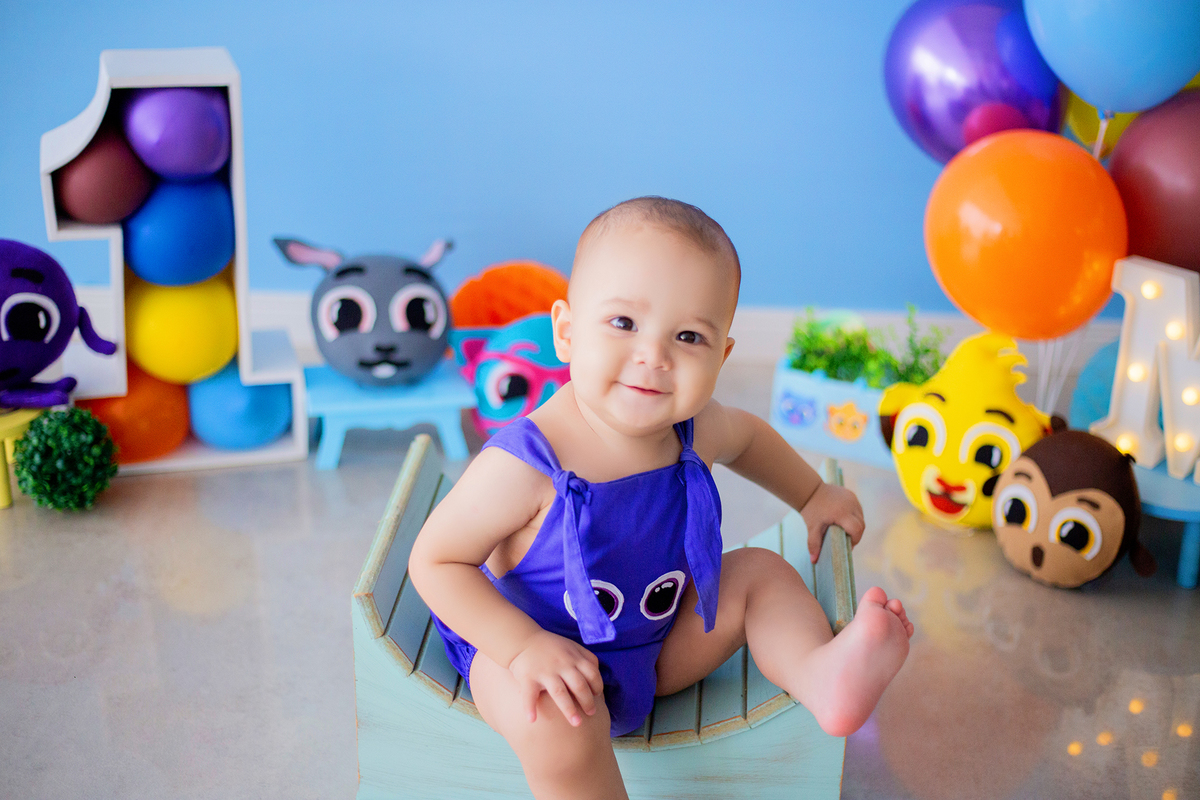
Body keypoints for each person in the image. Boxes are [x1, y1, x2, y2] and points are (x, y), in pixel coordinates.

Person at [408, 197, 913, 800]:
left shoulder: (694, 429)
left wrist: (811, 494)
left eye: (689, 336)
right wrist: (522, 649)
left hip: (654, 645)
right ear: (566, 333)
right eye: (623, 323)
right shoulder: (526, 463)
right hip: (532, 652)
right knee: (557, 723)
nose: (654, 356)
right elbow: (435, 561)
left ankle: (820, 675)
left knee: (759, 574)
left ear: (722, 355)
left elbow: (751, 439)